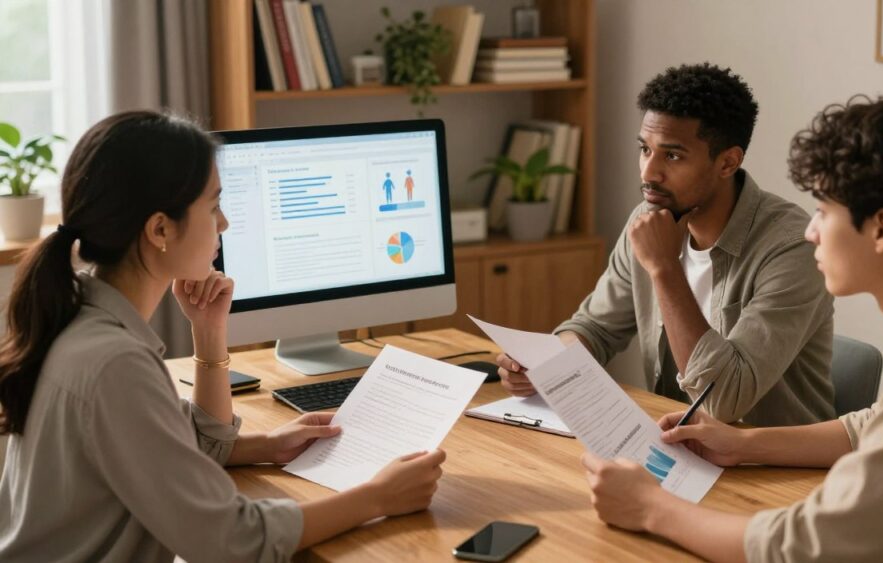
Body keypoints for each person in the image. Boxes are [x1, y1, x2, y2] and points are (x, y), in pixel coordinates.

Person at [581, 93, 883, 561]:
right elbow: (878, 424)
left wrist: (651, 507)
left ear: (882, 229)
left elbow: (816, 547)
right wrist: (742, 443)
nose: (811, 231)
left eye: (824, 211)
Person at [0, 111, 445, 563]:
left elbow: (186, 447)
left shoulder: (84, 323)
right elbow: (231, 542)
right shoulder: (114, 362)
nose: (225, 223)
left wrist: (211, 337)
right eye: (213, 206)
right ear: (160, 230)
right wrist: (377, 497)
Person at [498, 63, 835, 426]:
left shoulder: (792, 246)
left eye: (672, 156)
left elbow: (724, 401)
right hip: (677, 446)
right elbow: (596, 327)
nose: (648, 173)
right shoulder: (649, 219)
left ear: (728, 162)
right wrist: (547, 365)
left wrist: (664, 267)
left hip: (774, 469)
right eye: (645, 149)